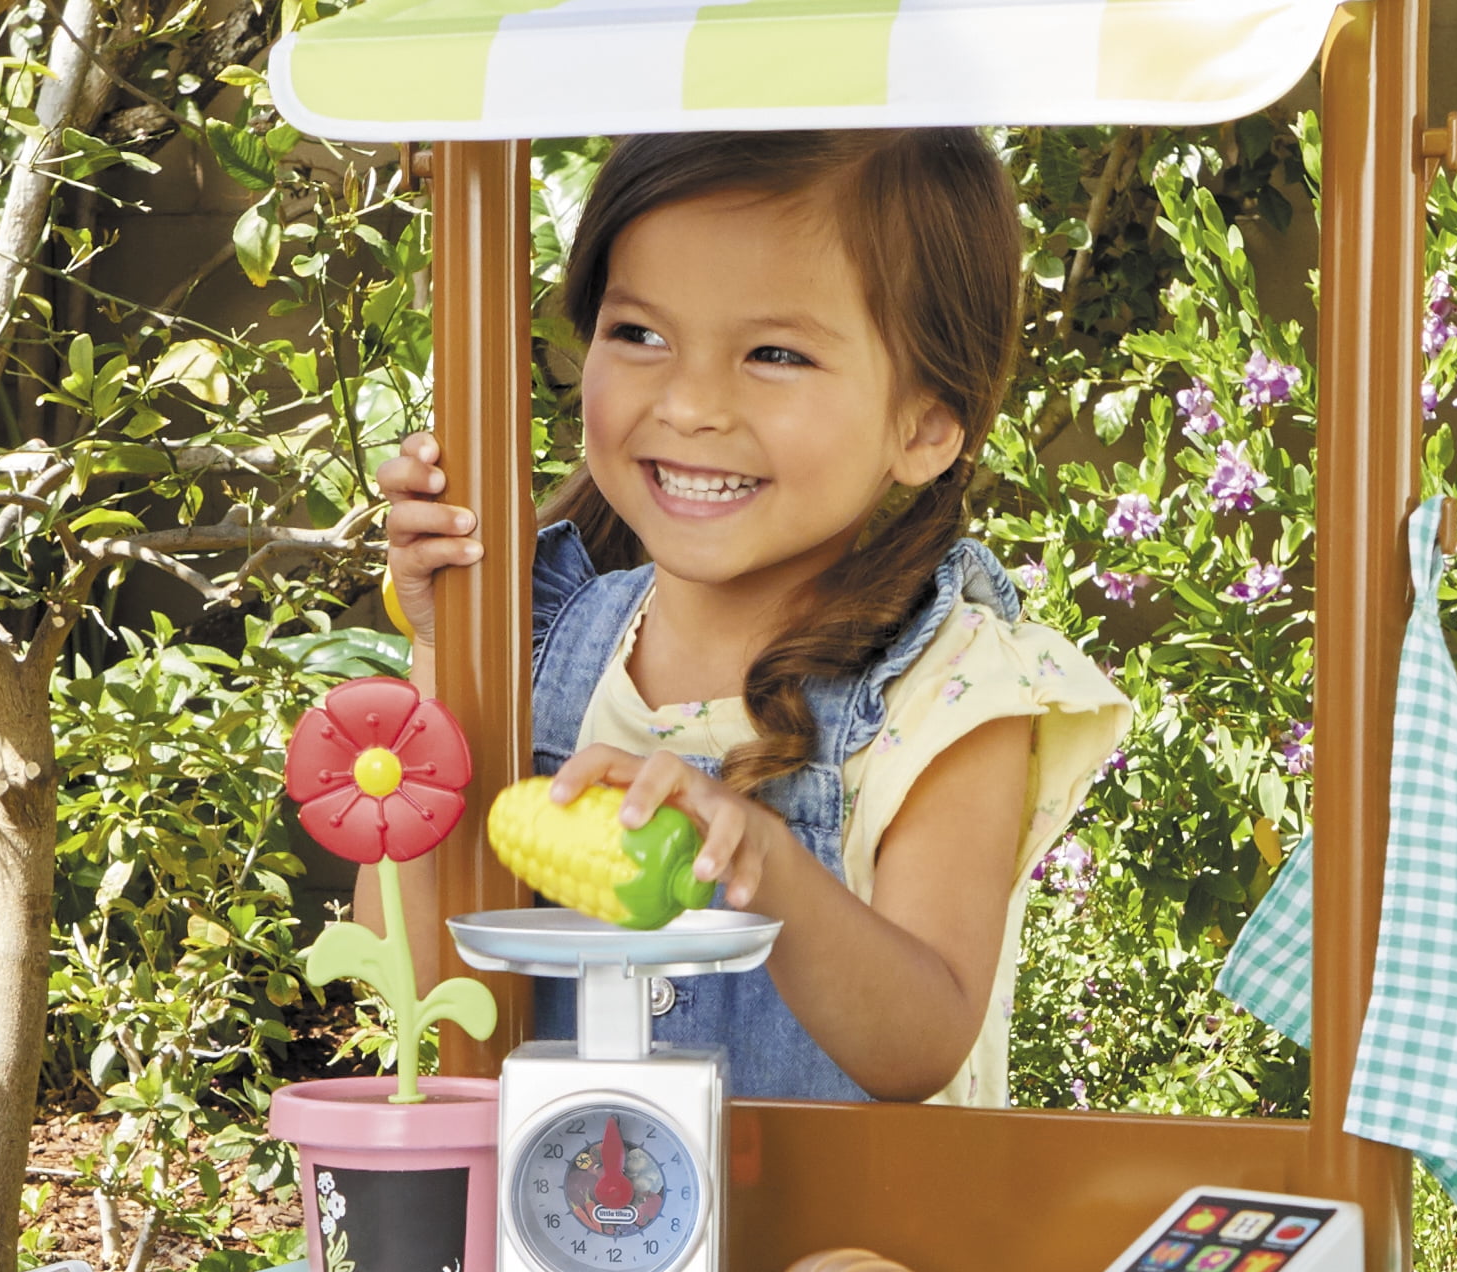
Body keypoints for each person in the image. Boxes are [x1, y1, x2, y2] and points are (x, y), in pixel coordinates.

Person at [379, 129, 1131, 1105]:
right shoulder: (545, 644)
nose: (688, 403)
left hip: (859, 1249)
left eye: (772, 353)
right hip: (571, 1238)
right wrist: (441, 656)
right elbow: (418, 977)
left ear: (925, 424)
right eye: (638, 333)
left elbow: (922, 1039)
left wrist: (762, 862)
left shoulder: (944, 690)